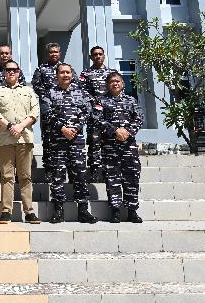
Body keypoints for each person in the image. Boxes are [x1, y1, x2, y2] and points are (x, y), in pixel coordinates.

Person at [41, 63, 98, 224]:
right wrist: (63, 128)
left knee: (80, 175)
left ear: (72, 75)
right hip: (57, 142)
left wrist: (76, 127)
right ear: (56, 75)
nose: (65, 75)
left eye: (68, 72)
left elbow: (88, 112)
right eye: (62, 72)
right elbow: (47, 113)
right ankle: (58, 210)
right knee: (58, 177)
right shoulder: (49, 93)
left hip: (77, 141)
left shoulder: (81, 92)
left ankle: (83, 210)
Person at [0, 60, 40, 224]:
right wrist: (10, 126)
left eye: (14, 70)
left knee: (25, 176)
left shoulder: (28, 91)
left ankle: (29, 211)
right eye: (8, 70)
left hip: (24, 138)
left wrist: (20, 126)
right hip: (5, 139)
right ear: (4, 72)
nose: (11, 72)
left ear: (19, 72)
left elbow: (35, 111)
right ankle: (6, 211)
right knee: (7, 176)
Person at [98, 71, 143, 224]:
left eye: (118, 81)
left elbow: (139, 118)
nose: (115, 83)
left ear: (123, 84)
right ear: (107, 85)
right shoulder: (101, 102)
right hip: (110, 146)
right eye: (112, 82)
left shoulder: (131, 100)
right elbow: (97, 119)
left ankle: (132, 211)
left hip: (129, 146)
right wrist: (115, 131)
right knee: (112, 178)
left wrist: (127, 131)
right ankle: (116, 211)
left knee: (132, 178)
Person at [32, 42, 79, 187]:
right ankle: (49, 170)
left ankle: (71, 173)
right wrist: (50, 96)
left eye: (56, 52)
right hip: (50, 110)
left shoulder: (67, 68)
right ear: (47, 54)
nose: (53, 54)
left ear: (60, 53)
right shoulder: (41, 68)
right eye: (51, 52)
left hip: (67, 111)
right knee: (48, 141)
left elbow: (75, 83)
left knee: (70, 141)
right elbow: (36, 84)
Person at [0, 44, 27, 184]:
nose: (4, 55)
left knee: (17, 144)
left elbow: (23, 91)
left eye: (7, 53)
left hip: (17, 116)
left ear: (11, 54)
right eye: (2, 53)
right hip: (0, 116)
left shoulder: (17, 70)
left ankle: (17, 173)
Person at [78, 46, 114, 183]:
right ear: (91, 57)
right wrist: (94, 102)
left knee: (109, 143)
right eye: (95, 54)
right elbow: (82, 91)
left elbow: (117, 90)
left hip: (110, 114)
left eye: (100, 54)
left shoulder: (112, 73)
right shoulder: (86, 74)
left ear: (104, 56)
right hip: (94, 114)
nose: (98, 56)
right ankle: (93, 171)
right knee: (94, 143)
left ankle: (108, 170)